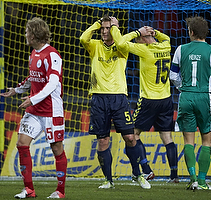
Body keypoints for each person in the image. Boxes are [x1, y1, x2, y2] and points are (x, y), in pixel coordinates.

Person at [79, 14, 151, 189]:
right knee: (103, 141)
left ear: (116, 30)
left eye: (108, 28)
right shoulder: (94, 46)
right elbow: (83, 37)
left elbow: (120, 42)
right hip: (98, 98)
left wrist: (131, 32)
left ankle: (137, 174)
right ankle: (108, 180)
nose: (104, 31)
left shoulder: (122, 46)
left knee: (130, 137)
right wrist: (98, 24)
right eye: (102, 28)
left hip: (119, 98)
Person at [0, 17, 67, 199]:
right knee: (22, 144)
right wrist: (17, 90)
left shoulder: (52, 55)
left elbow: (53, 82)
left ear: (35, 34)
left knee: (57, 150)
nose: (25, 34)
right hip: (34, 111)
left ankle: (60, 191)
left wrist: (33, 99)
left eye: (28, 31)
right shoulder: (33, 53)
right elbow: (33, 78)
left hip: (51, 111)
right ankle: (29, 189)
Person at [110, 22, 179, 183]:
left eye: (138, 40)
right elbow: (166, 37)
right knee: (167, 137)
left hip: (149, 100)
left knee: (133, 135)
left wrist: (136, 32)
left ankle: (146, 170)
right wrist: (154, 32)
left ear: (144, 39)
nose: (136, 43)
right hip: (166, 99)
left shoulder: (144, 50)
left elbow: (120, 43)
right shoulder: (166, 46)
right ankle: (174, 175)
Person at [169, 16, 211, 190]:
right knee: (207, 141)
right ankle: (201, 182)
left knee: (188, 140)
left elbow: (173, 76)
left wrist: (184, 88)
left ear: (192, 32)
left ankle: (193, 178)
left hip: (186, 97)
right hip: (205, 97)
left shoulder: (180, 49)